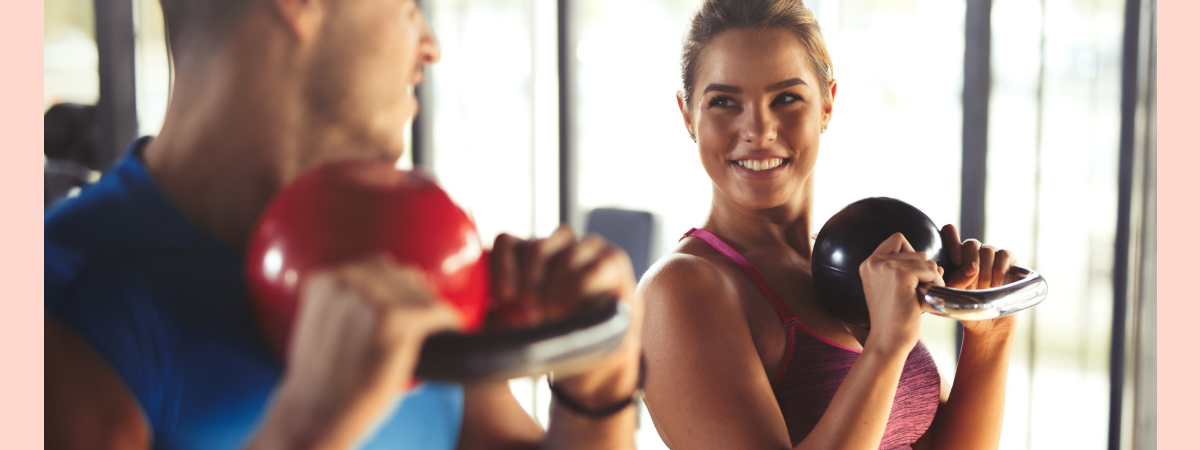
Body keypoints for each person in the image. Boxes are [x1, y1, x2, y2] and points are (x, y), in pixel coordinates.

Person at [44, 0, 644, 449]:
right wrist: (308, 426)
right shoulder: (59, 312)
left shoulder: (409, 244)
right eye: (408, 5)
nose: (430, 45)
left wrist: (597, 394)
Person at [638, 1, 1020, 449]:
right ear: (688, 115)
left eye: (786, 98)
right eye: (724, 101)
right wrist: (884, 349)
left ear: (827, 105)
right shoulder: (681, 290)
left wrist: (990, 338)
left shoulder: (853, 261)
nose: (758, 130)